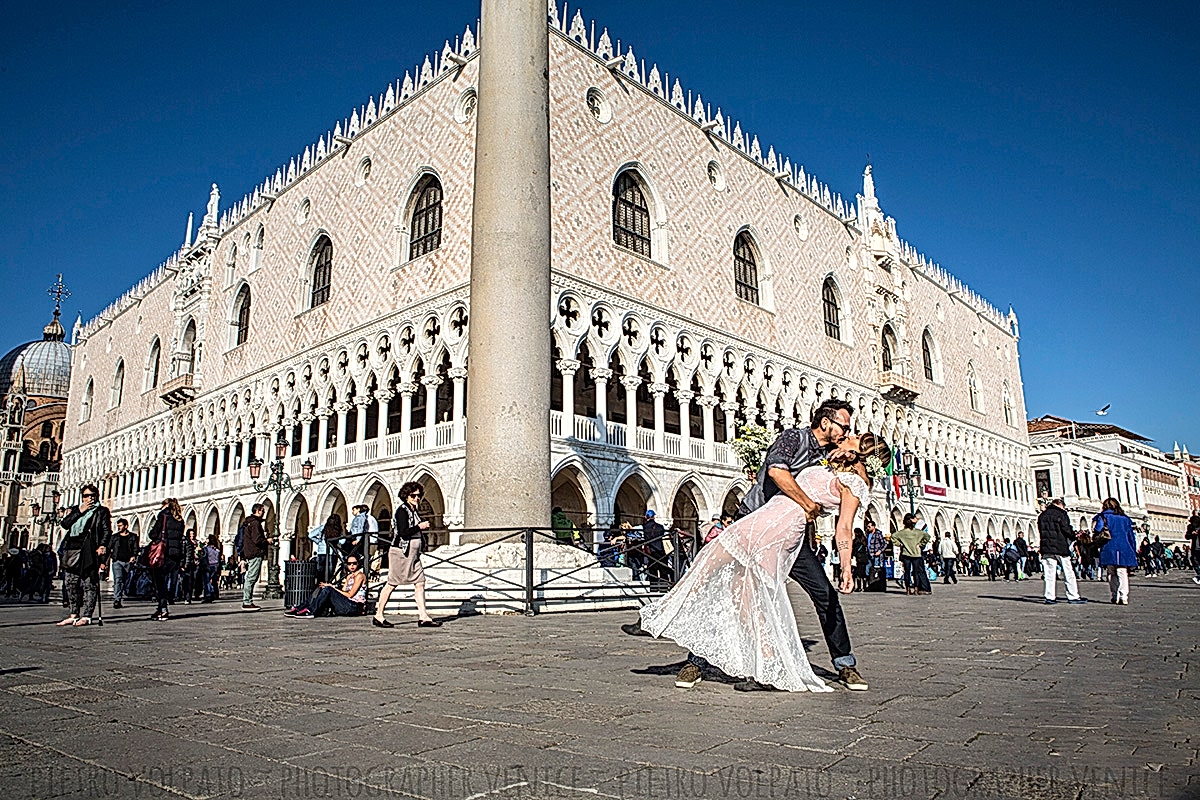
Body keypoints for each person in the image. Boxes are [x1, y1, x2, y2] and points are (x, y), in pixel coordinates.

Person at [640, 432, 890, 693]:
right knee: (733, 588)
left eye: (853, 434)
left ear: (859, 452)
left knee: (818, 595)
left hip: (786, 534)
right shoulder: (799, 442)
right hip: (759, 520)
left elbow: (844, 525)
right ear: (826, 422)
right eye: (844, 426)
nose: (846, 433)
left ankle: (842, 663)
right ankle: (697, 655)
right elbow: (774, 471)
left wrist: (847, 567)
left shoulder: (843, 472)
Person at [372, 481, 440, 628]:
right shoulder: (402, 511)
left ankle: (423, 616)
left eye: (418, 495)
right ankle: (378, 614)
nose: (417, 498)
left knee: (420, 582)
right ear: (406, 496)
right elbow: (403, 533)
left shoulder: (413, 510)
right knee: (391, 583)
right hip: (401, 553)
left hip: (413, 555)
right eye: (413, 495)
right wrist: (419, 527)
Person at [56, 484, 112, 627]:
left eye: (92, 495)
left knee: (89, 584)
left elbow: (106, 530)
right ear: (82, 497)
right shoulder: (77, 510)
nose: (90, 498)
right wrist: (80, 511)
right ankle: (73, 614)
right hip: (72, 548)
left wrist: (102, 545)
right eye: (86, 496)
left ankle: (87, 615)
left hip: (89, 549)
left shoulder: (101, 511)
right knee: (70, 583)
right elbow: (65, 524)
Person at [1038, 498, 1086, 605]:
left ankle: (1050, 596)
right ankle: (1073, 596)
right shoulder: (1061, 514)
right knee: (1068, 571)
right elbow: (1066, 530)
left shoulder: (1042, 515)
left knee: (1049, 573)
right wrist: (1074, 536)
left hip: (1047, 547)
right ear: (1060, 505)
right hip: (1060, 547)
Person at [286, 554, 367, 618]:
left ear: (358, 563)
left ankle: (311, 610)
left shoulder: (360, 576)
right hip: (346, 603)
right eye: (349, 564)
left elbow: (350, 594)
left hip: (354, 606)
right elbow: (343, 591)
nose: (352, 566)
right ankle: (300, 608)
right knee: (322, 587)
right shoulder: (349, 576)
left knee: (328, 588)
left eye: (354, 563)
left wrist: (332, 587)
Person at [147, 498, 185, 620]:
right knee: (168, 581)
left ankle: (163, 609)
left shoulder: (163, 516)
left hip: (162, 553)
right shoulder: (180, 520)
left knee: (159, 582)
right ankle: (161, 607)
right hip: (175, 555)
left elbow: (152, 534)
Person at [1095, 498, 1138, 605]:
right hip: (1124, 547)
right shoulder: (1125, 519)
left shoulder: (1103, 517)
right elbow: (1131, 536)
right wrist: (1133, 549)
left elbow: (1097, 529)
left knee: (1111, 572)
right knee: (1122, 572)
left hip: (1109, 546)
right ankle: (1124, 596)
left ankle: (1114, 594)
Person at [892, 514, 931, 595]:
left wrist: (900, 544)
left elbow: (893, 537)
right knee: (916, 572)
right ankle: (916, 590)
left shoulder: (901, 533)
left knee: (907, 572)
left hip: (906, 554)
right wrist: (920, 544)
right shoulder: (918, 532)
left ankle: (908, 590)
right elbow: (927, 537)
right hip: (916, 554)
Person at [241, 504, 270, 610]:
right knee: (251, 578)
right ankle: (247, 601)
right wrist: (267, 541)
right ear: (258, 511)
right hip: (255, 552)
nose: (263, 513)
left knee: (250, 577)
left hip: (250, 552)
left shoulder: (248, 522)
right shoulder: (255, 523)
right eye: (262, 510)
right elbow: (257, 539)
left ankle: (247, 600)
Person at [108, 518, 138, 609]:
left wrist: (134, 556)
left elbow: (136, 548)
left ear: (126, 526)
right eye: (118, 526)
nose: (119, 528)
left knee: (124, 581)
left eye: (120, 526)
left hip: (128, 562)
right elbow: (109, 548)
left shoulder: (133, 537)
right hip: (117, 561)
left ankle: (120, 596)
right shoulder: (115, 537)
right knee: (118, 580)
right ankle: (117, 599)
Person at [200, 534, 222, 602]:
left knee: (207, 581)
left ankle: (208, 594)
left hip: (208, 566)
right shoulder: (217, 550)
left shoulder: (206, 548)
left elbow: (204, 557)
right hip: (215, 566)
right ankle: (214, 593)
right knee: (213, 581)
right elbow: (218, 559)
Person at [1187, 514, 1200, 585]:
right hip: (1195, 547)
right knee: (1194, 561)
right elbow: (1187, 536)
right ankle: (1199, 574)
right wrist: (1191, 534)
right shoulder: (1190, 527)